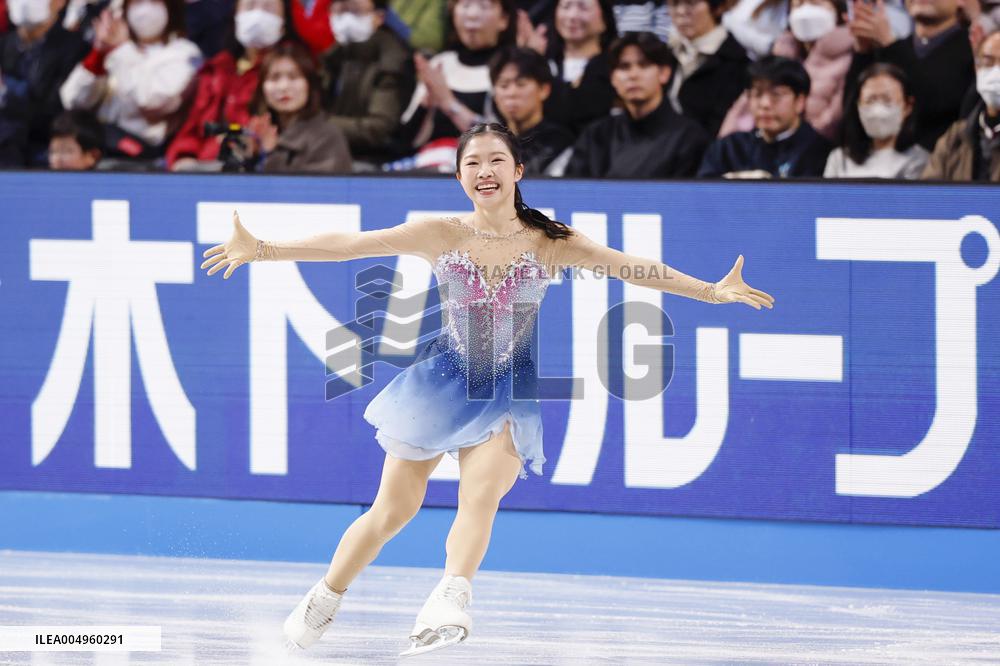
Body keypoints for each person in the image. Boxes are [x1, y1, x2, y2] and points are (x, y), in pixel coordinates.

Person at [200, 121, 775, 658]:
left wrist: (710, 291)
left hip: (507, 391)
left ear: (517, 171)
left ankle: (450, 598)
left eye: (496, 160)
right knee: (392, 512)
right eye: (472, 162)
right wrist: (264, 249)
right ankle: (326, 595)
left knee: (482, 496)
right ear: (459, 177)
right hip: (439, 386)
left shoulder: (550, 241)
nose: (485, 171)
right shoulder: (439, 233)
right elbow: (350, 245)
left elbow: (634, 267)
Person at [59, 0, 202, 161]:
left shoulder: (184, 52)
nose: (144, 9)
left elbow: (150, 101)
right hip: (99, 146)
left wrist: (121, 49)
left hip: (144, 156)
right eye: (136, 2)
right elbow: (72, 101)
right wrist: (98, 55)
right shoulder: (115, 48)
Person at [165, 0, 300, 171]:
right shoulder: (217, 69)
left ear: (284, 22)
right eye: (250, 6)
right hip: (201, 169)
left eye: (268, 7)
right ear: (236, 14)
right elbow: (191, 130)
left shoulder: (288, 75)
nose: (258, 15)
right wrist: (183, 157)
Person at [564, 31, 710, 178]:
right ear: (613, 78)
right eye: (624, 67)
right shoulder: (596, 135)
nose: (633, 75)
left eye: (644, 65)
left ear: (664, 73)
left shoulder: (688, 138)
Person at [395, 0, 517, 171]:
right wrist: (426, 106)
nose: (472, 14)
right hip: (432, 166)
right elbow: (406, 141)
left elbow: (504, 139)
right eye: (465, 5)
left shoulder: (512, 68)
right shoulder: (440, 64)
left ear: (503, 19)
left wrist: (449, 103)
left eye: (483, 6)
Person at [844, 0, 975, 151]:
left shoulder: (974, 49)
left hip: (941, 160)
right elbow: (851, 118)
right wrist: (863, 53)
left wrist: (890, 45)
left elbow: (936, 105)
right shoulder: (894, 48)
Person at [719, 0, 852, 141]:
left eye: (815, 3)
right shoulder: (783, 51)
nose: (805, 11)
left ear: (839, 12)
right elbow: (744, 112)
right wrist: (726, 145)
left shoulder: (850, 57)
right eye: (798, 4)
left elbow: (832, 121)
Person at [699, 55, 831, 177]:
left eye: (776, 94)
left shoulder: (819, 152)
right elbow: (703, 190)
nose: (765, 104)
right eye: (757, 94)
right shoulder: (728, 148)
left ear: (800, 101)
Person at [321, 0, 416, 167]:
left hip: (376, 160)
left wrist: (319, 124)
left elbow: (379, 129)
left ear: (379, 17)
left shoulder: (393, 60)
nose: (346, 18)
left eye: (355, 10)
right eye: (340, 10)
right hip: (331, 151)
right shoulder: (333, 55)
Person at [0, 0, 90, 167]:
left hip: (45, 151)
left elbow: (60, 110)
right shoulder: (4, 44)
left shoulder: (76, 48)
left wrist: (6, 93)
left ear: (60, 2)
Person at [245, 41, 352, 172]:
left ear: (310, 85)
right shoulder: (258, 133)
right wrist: (251, 156)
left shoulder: (328, 137)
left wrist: (270, 154)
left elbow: (312, 184)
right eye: (274, 78)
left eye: (294, 77)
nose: (283, 87)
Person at [824, 62, 927, 177]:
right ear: (858, 105)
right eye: (870, 100)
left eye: (887, 100)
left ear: (907, 106)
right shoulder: (839, 159)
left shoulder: (919, 160)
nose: (878, 110)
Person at [922, 29, 1000, 181]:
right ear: (977, 68)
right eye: (988, 61)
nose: (996, 71)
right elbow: (928, 190)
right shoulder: (955, 136)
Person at [665, 0, 749, 137]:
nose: (680, 12)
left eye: (691, 3)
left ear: (717, 8)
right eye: (674, 4)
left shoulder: (738, 65)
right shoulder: (663, 55)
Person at [535, 0, 618, 136]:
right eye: (566, 6)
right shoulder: (543, 61)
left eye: (583, 7)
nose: (572, 16)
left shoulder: (614, 67)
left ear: (605, 18)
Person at [490, 45, 575, 173]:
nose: (511, 93)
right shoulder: (485, 142)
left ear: (544, 90)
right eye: (503, 85)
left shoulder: (559, 142)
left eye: (521, 84)